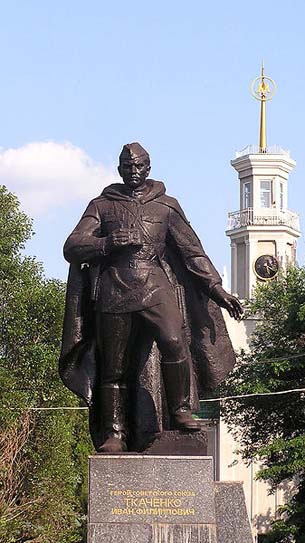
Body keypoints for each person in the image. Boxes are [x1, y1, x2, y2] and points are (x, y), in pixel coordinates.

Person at [59, 142, 242, 453]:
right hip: (114, 289)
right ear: (119, 170)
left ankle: (181, 410)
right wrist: (107, 243)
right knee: (114, 366)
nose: (133, 171)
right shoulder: (101, 206)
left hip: (156, 284)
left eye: (139, 166)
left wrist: (217, 289)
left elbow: (192, 253)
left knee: (174, 341)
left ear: (148, 168)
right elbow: (72, 246)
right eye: (127, 167)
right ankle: (115, 433)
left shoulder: (166, 206)